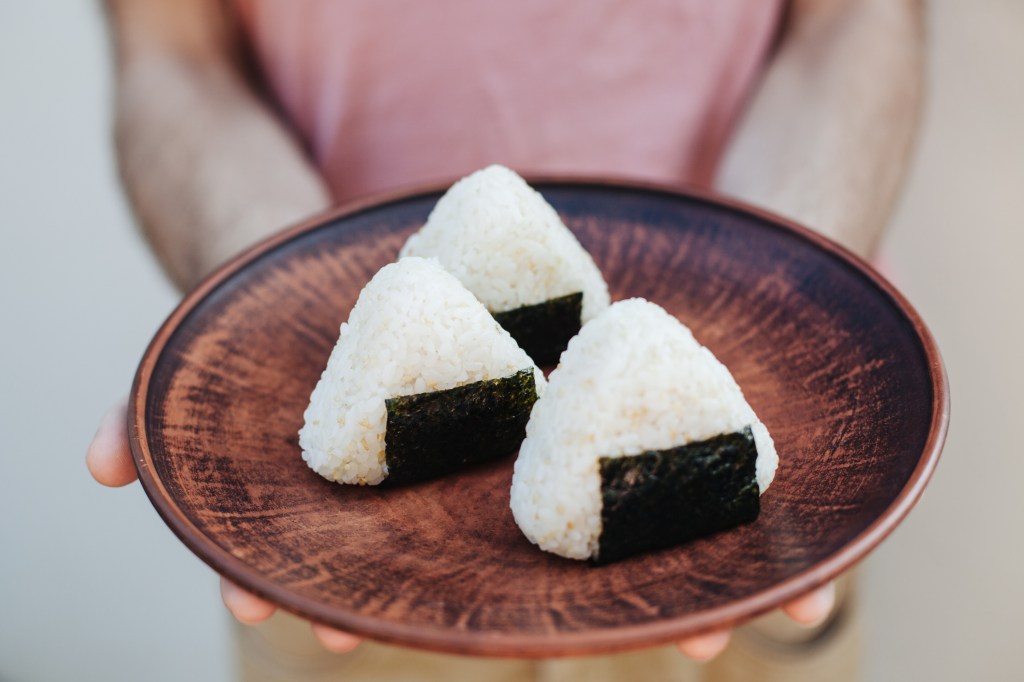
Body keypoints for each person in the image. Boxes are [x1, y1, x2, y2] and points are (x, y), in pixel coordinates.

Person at [88, 0, 924, 680]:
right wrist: (262, 294)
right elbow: (172, 49)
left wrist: (796, 291)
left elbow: (856, 16)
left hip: (775, 507)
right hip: (354, 571)